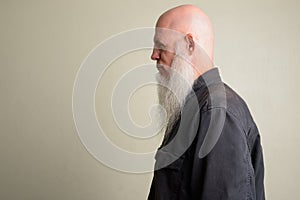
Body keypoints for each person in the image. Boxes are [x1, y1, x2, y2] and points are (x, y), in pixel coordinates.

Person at [148, 5, 265, 200]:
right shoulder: (196, 107)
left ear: (190, 45)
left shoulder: (216, 112)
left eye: (161, 46)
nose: (154, 55)